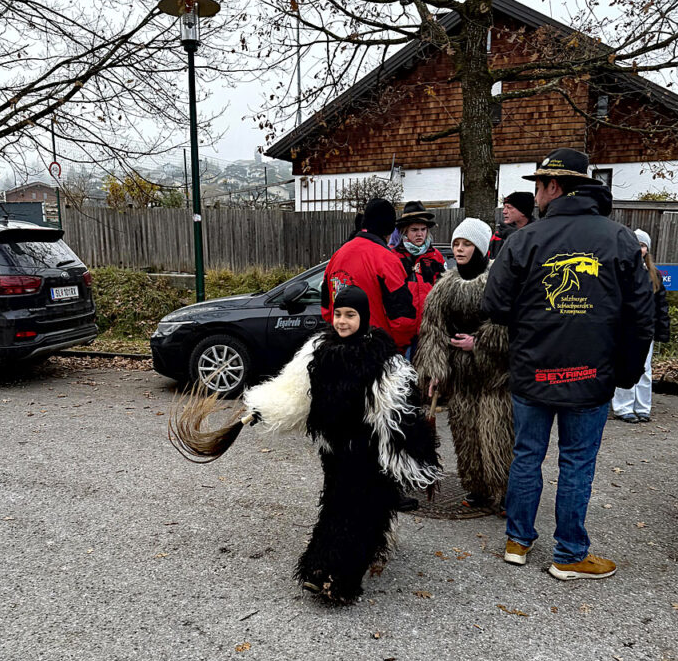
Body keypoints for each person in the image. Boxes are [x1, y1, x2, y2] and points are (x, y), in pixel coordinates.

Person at [170, 286, 441, 604]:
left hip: (367, 453)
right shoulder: (318, 350)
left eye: (350, 315)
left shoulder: (383, 359)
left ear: (363, 317)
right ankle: (318, 569)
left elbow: (399, 409)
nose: (342, 321)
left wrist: (411, 452)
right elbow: (293, 389)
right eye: (338, 314)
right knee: (336, 507)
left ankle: (341, 581)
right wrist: (263, 408)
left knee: (363, 513)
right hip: (336, 450)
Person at [481, 148, 655, 581]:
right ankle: (569, 554)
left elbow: (495, 305)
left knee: (527, 456)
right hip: (590, 376)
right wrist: (627, 373)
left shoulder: (524, 240)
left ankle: (517, 541)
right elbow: (641, 317)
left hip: (532, 371)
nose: (534, 196)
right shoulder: (619, 239)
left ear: (553, 186)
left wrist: (536, 319)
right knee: (576, 462)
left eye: (536, 187)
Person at [414, 217, 512, 511]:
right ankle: (477, 488)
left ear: (480, 247)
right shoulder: (445, 287)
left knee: (496, 435)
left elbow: (510, 325)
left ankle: (506, 493)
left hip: (494, 376)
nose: (459, 249)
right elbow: (432, 329)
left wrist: (480, 342)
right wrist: (434, 370)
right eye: (456, 243)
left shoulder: (499, 281)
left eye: (466, 243)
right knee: (466, 434)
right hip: (461, 377)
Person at [322, 197, 418, 350]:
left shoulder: (337, 255)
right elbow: (403, 318)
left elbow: (327, 310)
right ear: (389, 230)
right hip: (377, 352)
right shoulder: (387, 260)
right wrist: (397, 347)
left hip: (342, 348)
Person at [612, 228, 671, 423]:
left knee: (645, 369)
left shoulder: (654, 275)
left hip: (646, 329)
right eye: (636, 245)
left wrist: (662, 329)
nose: (639, 249)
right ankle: (623, 407)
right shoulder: (620, 271)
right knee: (624, 364)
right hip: (624, 329)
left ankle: (642, 406)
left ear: (648, 249)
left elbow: (661, 304)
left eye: (643, 245)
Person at [392, 201, 446, 313]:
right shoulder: (393, 258)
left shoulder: (436, 257)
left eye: (423, 229)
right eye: (414, 230)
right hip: (403, 325)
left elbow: (444, 292)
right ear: (405, 231)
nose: (419, 234)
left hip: (430, 323)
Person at [488, 192, 535, 259]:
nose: (504, 211)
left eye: (509, 207)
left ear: (523, 211)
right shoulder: (500, 233)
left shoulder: (537, 233)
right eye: (504, 207)